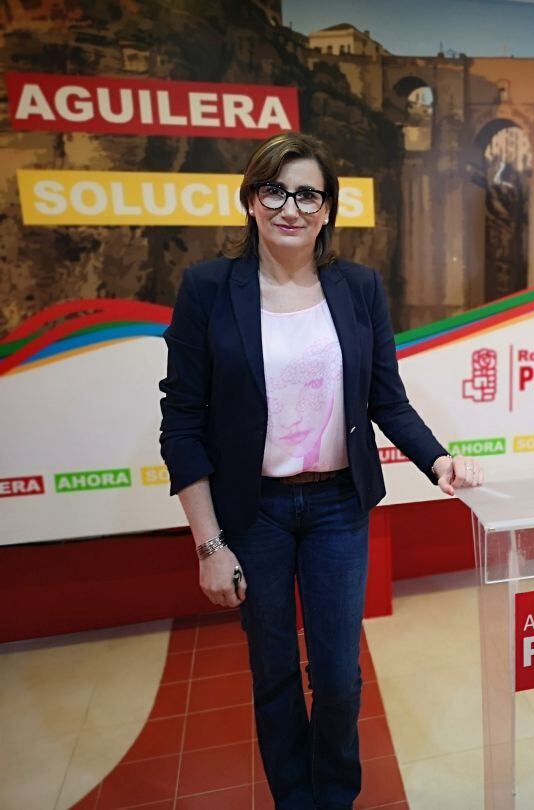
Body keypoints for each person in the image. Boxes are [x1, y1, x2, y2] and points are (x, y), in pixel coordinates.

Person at [159, 131, 484, 809]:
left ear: (329, 208)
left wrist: (438, 458)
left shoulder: (357, 286)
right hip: (255, 516)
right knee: (273, 672)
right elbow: (182, 422)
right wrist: (210, 544)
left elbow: (385, 397)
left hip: (339, 506)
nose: (291, 207)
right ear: (251, 200)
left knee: (338, 676)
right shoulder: (209, 289)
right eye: (274, 191)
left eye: (309, 193)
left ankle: (334, 798)